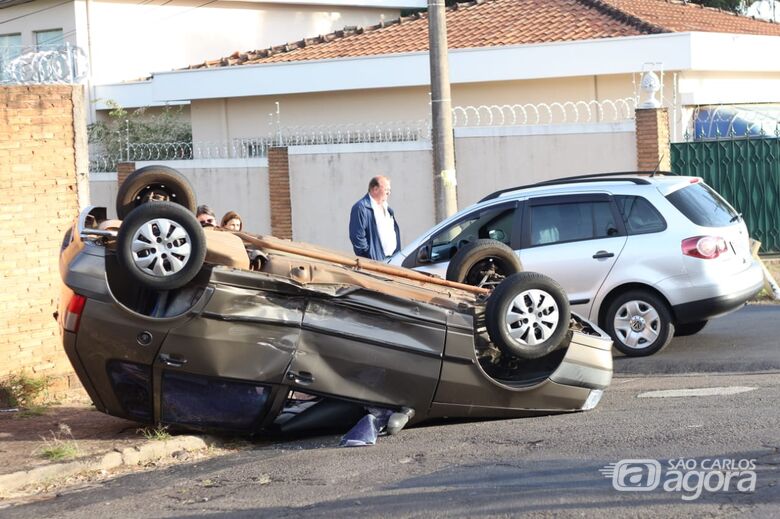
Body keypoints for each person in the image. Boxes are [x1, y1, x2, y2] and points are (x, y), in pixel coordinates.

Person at [349, 175, 400, 260]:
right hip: (374, 263)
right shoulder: (361, 208)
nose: (389, 193)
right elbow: (357, 238)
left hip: (392, 261)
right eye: (386, 189)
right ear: (375, 189)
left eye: (389, 190)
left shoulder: (388, 209)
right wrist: (370, 258)